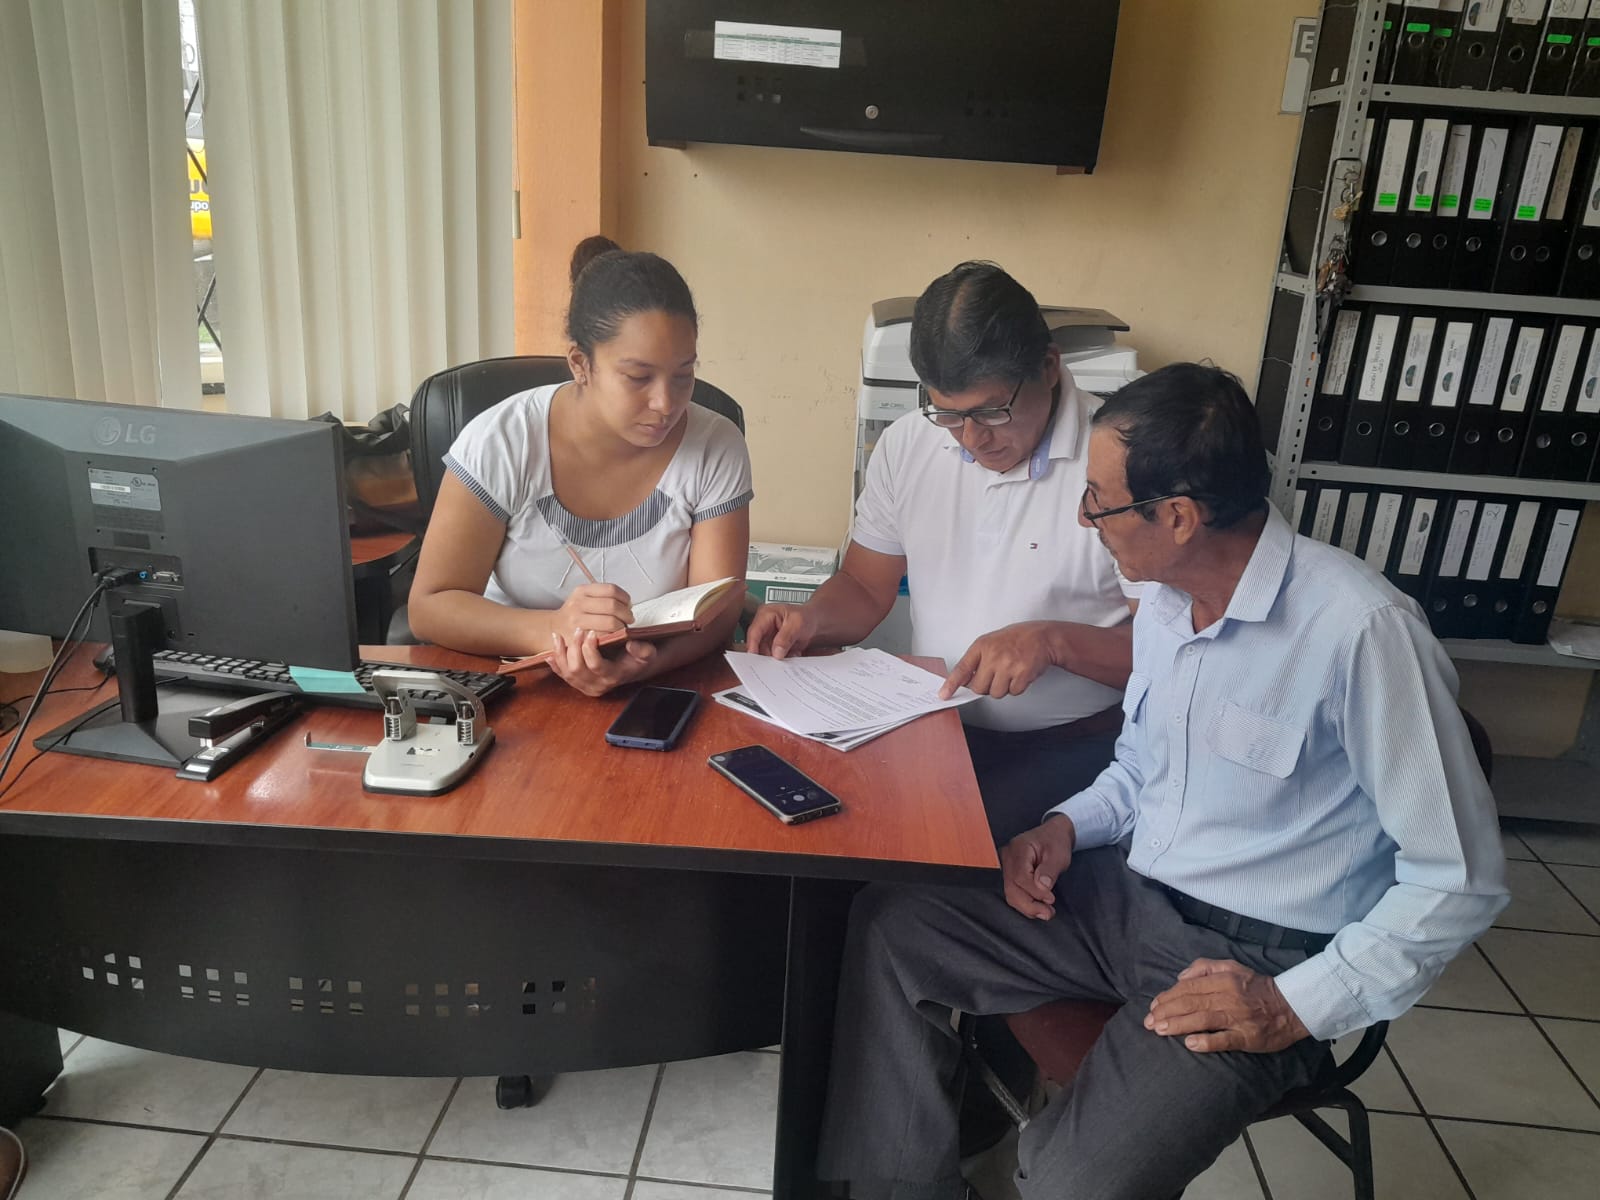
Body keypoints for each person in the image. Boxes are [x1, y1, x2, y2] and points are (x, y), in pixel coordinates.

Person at [815, 363, 1509, 1200]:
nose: (1085, 518)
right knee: (895, 925)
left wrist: (1292, 1004)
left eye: (1099, 502)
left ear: (1177, 517)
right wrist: (1062, 828)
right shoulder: (1170, 602)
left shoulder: (1361, 631)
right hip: (1128, 901)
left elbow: (1459, 879)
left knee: (1067, 1184)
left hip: (1254, 959)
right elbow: (1143, 768)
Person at [746, 262, 1136, 846]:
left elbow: (1175, 655)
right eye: (949, 414)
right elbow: (864, 586)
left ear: (1049, 367)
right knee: (813, 827)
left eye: (991, 411)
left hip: (1075, 746)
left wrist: (1054, 642)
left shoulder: (1119, 461)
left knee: (925, 853)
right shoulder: (909, 444)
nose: (972, 439)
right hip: (932, 724)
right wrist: (811, 619)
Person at [408, 241, 752, 696]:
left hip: (658, 690)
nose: (666, 403)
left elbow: (719, 610)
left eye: (683, 375)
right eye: (638, 377)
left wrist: (641, 668)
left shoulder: (715, 446)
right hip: (515, 689)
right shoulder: (502, 442)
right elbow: (430, 606)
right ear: (580, 364)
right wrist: (555, 629)